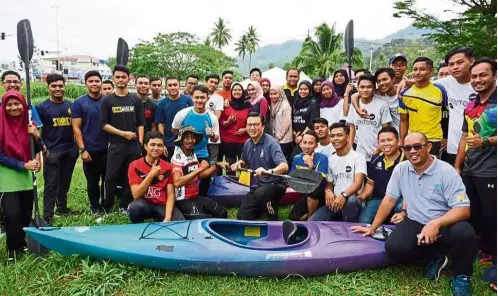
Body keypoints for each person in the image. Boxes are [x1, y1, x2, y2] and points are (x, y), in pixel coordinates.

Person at [352, 132, 477, 296]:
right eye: (407, 148)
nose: (412, 151)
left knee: (465, 233)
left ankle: (462, 275)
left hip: (445, 222)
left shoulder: (446, 171)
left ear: (429, 147)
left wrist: (435, 223)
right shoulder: (401, 169)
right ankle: (435, 256)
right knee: (394, 248)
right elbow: (389, 200)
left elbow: (463, 209)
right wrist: (373, 227)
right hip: (416, 221)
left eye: (417, 146)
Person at [454, 57, 497, 290]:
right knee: (475, 215)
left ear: (494, 75)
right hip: (471, 169)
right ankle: (485, 252)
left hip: (492, 171)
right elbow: (464, 137)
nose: (478, 80)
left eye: (483, 75)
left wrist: (487, 141)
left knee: (494, 218)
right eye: (474, 76)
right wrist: (458, 166)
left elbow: (481, 140)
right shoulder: (471, 104)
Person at [0, 91, 41, 263]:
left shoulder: (29, 124)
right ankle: (12, 249)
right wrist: (23, 165)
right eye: (9, 104)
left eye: (17, 104)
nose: (13, 107)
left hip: (26, 175)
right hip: (6, 176)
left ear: (24, 105)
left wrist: (36, 135)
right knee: (12, 215)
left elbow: (39, 148)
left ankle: (22, 243)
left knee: (25, 213)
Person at [100, 65, 144, 213]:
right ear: (113, 79)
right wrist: (122, 133)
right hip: (116, 145)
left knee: (129, 177)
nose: (120, 80)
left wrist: (140, 143)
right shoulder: (107, 101)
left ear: (128, 79)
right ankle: (108, 206)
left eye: (123, 77)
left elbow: (141, 124)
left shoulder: (135, 99)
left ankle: (125, 205)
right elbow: (103, 124)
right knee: (110, 177)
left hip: (133, 146)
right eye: (117, 77)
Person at [36, 74, 79, 224]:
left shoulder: (71, 105)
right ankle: (48, 215)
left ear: (65, 87)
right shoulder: (41, 108)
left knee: (65, 181)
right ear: (48, 88)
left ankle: (62, 208)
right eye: (54, 86)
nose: (58, 89)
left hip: (69, 150)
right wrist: (44, 149)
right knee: (51, 184)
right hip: (52, 152)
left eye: (61, 86)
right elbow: (36, 132)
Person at [231, 113, 289, 221]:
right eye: (249, 125)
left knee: (261, 193)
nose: (252, 128)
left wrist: (268, 171)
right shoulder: (247, 143)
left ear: (262, 126)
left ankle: (272, 214)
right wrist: (239, 163)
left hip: (275, 185)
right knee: (243, 216)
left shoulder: (272, 143)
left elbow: (284, 166)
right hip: (257, 186)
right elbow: (244, 160)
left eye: (256, 124)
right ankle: (264, 206)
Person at [310, 122, 365, 222]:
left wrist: (343, 195)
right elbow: (329, 183)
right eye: (332, 136)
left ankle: (350, 231)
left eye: (339, 135)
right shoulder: (330, 159)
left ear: (347, 137)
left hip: (352, 200)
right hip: (335, 202)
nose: (335, 138)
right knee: (313, 222)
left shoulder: (358, 157)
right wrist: (328, 191)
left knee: (350, 201)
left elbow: (358, 184)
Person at [172, 85, 220, 196]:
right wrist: (185, 138)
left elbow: (216, 138)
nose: (199, 100)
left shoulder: (212, 117)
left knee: (205, 175)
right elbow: (174, 130)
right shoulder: (182, 114)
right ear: (192, 97)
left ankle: (202, 198)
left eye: (202, 97)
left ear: (207, 98)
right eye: (196, 97)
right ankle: (180, 199)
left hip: (201, 150)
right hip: (182, 150)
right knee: (181, 175)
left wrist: (211, 134)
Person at [71, 70, 108, 215]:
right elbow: (76, 127)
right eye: (91, 81)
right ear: (86, 83)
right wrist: (82, 149)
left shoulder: (108, 101)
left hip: (108, 148)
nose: (94, 84)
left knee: (107, 179)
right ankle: (94, 205)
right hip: (90, 149)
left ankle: (106, 203)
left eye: (97, 81)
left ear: (101, 82)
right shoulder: (80, 103)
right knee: (92, 181)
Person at [127, 131, 185, 223]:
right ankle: (138, 231)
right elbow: (136, 194)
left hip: (162, 204)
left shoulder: (168, 167)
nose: (156, 148)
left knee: (180, 223)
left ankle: (160, 219)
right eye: (152, 145)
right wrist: (151, 174)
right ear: (145, 146)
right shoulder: (134, 165)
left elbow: (170, 195)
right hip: (144, 203)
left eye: (160, 145)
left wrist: (168, 218)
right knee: (135, 209)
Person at [171, 126, 228, 219]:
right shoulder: (177, 157)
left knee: (222, 213)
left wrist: (216, 166)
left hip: (195, 197)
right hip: (182, 201)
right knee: (206, 220)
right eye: (186, 137)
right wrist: (200, 168)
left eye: (192, 137)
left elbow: (200, 176)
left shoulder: (192, 154)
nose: (190, 140)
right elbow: (177, 182)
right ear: (181, 140)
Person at [399, 57, 448, 156]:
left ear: (431, 71)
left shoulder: (440, 90)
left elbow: (446, 114)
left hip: (433, 139)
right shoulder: (404, 93)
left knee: (432, 169)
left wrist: (446, 137)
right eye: (415, 69)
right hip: (412, 139)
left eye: (422, 69)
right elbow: (404, 120)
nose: (417, 72)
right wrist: (403, 140)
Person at [357, 126, 404, 224]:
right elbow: (370, 183)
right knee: (364, 222)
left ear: (398, 142)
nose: (386, 143)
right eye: (382, 141)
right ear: (378, 143)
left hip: (399, 200)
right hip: (378, 199)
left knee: (401, 211)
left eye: (389, 140)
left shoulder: (406, 160)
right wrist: (361, 197)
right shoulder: (375, 159)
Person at [437, 47, 475, 166]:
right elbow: (425, 85)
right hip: (453, 149)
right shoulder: (447, 82)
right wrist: (406, 82)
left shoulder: (487, 84)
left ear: (472, 61)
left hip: (480, 148)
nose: (455, 67)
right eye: (451, 64)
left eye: (460, 62)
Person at [346, 74, 392, 163]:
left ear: (374, 89)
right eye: (362, 87)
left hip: (377, 151)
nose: (365, 90)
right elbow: (352, 126)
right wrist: (351, 146)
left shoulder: (382, 104)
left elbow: (386, 130)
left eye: (369, 87)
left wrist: (378, 149)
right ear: (358, 88)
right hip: (358, 151)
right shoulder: (355, 105)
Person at [288, 131, 328, 221]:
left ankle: (311, 219)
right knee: (293, 218)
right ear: (301, 144)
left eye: (310, 143)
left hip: (320, 195)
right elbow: (294, 180)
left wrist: (311, 165)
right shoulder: (296, 158)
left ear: (316, 146)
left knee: (313, 191)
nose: (307, 146)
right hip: (304, 194)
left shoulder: (323, 158)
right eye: (304, 142)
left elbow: (318, 182)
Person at [350, 68, 400, 132]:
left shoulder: (403, 93)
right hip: (390, 136)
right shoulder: (377, 94)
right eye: (378, 81)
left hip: (407, 135)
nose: (382, 83)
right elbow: (354, 96)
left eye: (385, 79)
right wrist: (358, 109)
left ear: (393, 79)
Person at [156, 76, 193, 160]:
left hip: (186, 142)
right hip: (169, 142)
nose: (173, 87)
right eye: (170, 85)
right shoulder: (162, 103)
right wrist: (162, 143)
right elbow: (161, 124)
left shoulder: (187, 100)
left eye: (175, 85)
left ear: (179, 86)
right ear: (166, 87)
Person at [220, 83, 251, 172]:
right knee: (230, 168)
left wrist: (245, 130)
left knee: (244, 167)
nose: (237, 92)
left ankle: (243, 185)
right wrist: (229, 122)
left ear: (243, 92)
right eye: (235, 90)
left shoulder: (248, 106)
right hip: (228, 142)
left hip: (243, 142)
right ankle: (230, 184)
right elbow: (221, 124)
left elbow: (253, 123)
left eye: (239, 90)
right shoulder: (226, 106)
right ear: (231, 92)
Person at [291, 81, 320, 159]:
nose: (302, 91)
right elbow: (292, 119)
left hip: (306, 137)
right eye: (300, 89)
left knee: (295, 157)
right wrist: (295, 133)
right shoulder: (296, 103)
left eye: (305, 89)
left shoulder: (313, 102)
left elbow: (312, 122)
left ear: (310, 90)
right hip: (295, 137)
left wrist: (302, 136)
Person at [268, 85, 293, 160]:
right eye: (271, 94)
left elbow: (286, 123)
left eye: (275, 94)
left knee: (282, 161)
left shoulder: (285, 106)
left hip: (284, 140)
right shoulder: (274, 104)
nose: (272, 96)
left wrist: (278, 137)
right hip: (276, 139)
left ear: (280, 93)